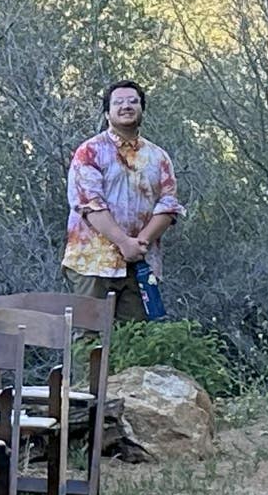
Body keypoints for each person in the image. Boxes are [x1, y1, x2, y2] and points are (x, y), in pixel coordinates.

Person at [61, 78, 183, 320]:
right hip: (93, 261)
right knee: (89, 335)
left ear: (142, 109)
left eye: (133, 101)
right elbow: (90, 204)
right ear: (107, 113)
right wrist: (124, 242)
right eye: (118, 102)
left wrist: (139, 244)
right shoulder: (90, 152)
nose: (126, 106)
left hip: (139, 263)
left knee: (136, 336)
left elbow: (168, 206)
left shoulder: (158, 157)